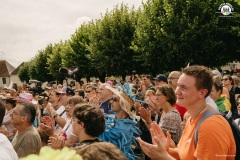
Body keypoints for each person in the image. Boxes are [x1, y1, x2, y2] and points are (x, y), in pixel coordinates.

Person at [137, 65, 236, 160]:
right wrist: (165, 149)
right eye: (178, 86)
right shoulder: (191, 119)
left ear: (202, 93)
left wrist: (164, 156)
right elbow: (184, 154)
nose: (176, 92)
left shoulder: (210, 126)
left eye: (183, 88)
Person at [99, 85, 141, 160]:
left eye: (115, 99)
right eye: (112, 98)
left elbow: (103, 136)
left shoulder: (125, 126)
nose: (111, 101)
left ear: (123, 105)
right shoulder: (116, 121)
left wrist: (92, 114)